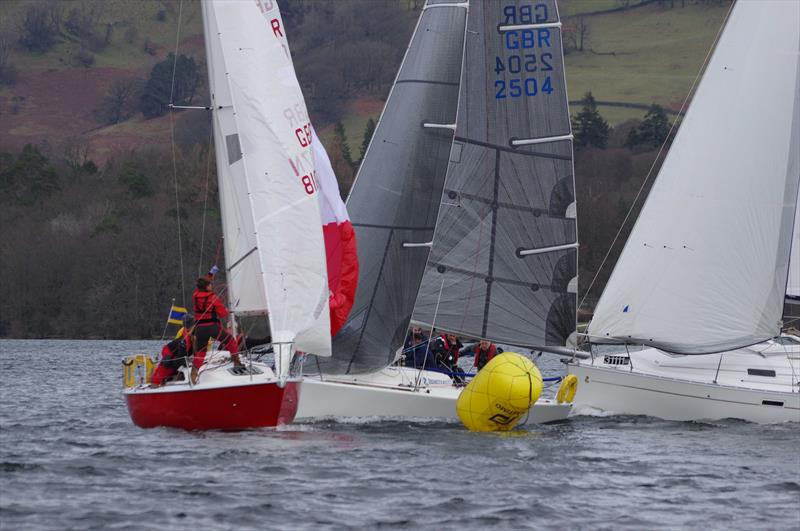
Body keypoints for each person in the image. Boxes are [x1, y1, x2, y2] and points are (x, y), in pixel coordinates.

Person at [192, 272, 241, 382]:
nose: (211, 286)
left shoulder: (195, 296)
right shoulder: (213, 298)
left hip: (199, 328)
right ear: (206, 287)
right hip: (212, 327)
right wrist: (227, 310)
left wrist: (209, 276)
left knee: (201, 352)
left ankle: (194, 372)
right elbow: (223, 314)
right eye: (210, 284)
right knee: (230, 341)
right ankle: (237, 362)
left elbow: (200, 287)